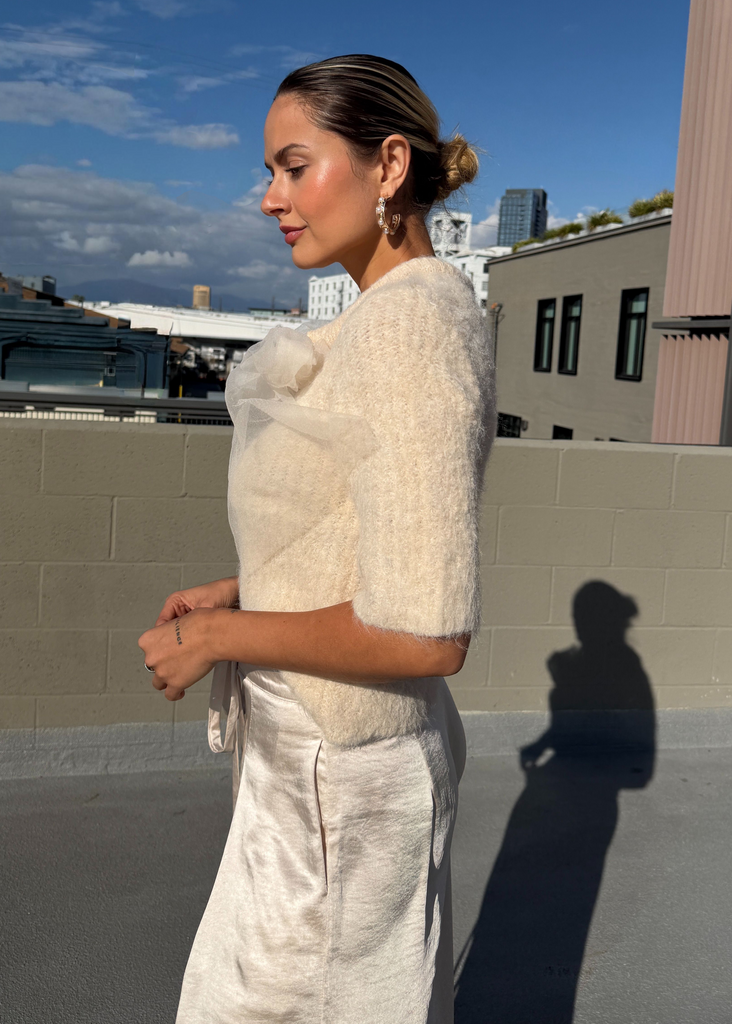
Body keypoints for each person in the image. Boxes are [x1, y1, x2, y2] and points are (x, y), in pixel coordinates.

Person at [138, 53, 497, 1024]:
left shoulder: (413, 325)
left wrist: (224, 638)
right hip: (312, 783)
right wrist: (239, 594)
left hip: (342, 789)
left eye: (294, 167)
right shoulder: (386, 314)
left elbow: (427, 633)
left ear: (388, 166)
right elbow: (353, 541)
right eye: (270, 173)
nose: (270, 198)